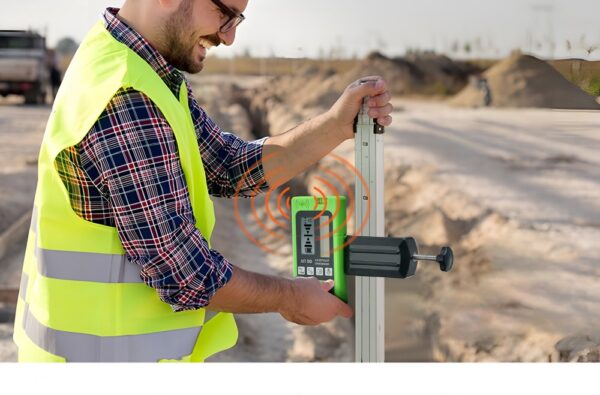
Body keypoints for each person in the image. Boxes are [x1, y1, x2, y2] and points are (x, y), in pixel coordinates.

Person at [13, 0, 394, 362]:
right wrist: (291, 297)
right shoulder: (125, 96)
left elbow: (227, 165)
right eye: (226, 15)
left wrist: (333, 127)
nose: (229, 38)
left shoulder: (132, 64)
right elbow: (184, 272)